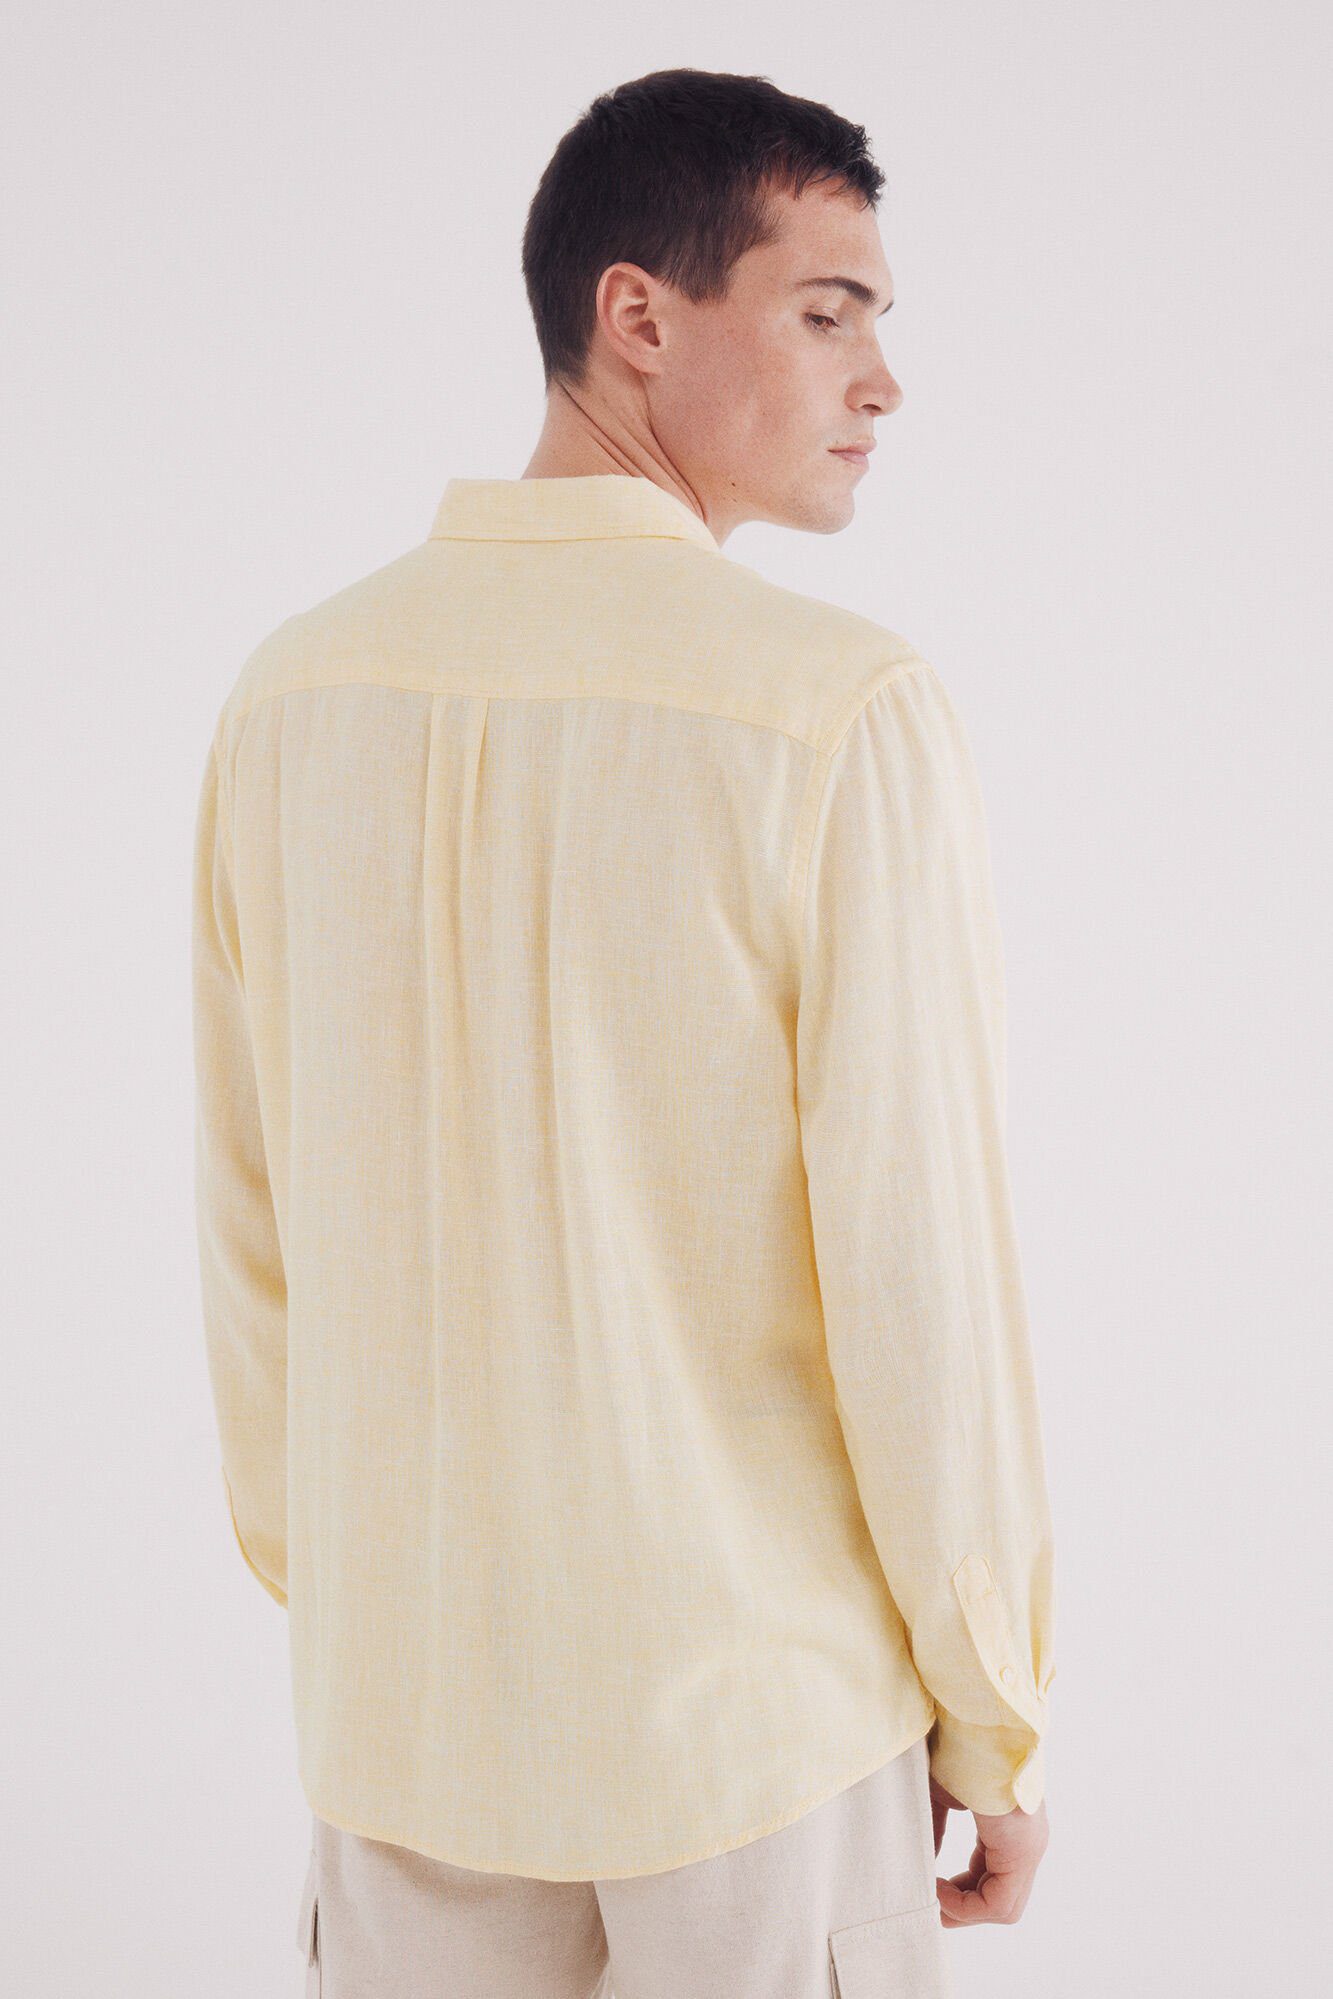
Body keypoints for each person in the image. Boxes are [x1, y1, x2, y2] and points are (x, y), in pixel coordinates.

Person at [192, 65, 1056, 1999]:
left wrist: (359, 1593)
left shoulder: (294, 693)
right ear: (638, 315)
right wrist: (988, 1714)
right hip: (751, 1737)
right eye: (827, 312)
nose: (882, 382)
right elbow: (916, 1274)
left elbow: (250, 1235)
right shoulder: (835, 711)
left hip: (401, 1719)